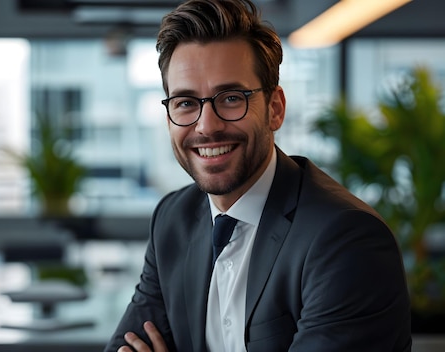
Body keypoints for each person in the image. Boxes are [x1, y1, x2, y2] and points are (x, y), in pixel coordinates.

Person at [104, 0, 412, 351]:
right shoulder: (173, 220)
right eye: (186, 102)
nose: (207, 126)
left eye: (231, 98)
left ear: (275, 109)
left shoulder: (345, 239)